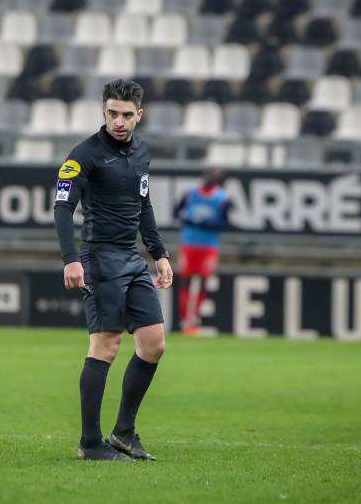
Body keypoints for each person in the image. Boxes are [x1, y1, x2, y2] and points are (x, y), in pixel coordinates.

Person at [54, 79, 173, 462]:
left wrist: (159, 253)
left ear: (140, 114)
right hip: (99, 258)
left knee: (154, 344)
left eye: (126, 115)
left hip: (131, 258)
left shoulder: (141, 152)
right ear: (103, 112)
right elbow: (61, 207)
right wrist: (71, 258)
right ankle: (90, 443)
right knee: (105, 346)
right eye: (111, 114)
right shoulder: (84, 154)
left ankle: (123, 434)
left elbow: (145, 204)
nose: (118, 122)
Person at [173, 167, 230, 336]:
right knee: (186, 282)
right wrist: (190, 220)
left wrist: (205, 223)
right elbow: (177, 213)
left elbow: (224, 223)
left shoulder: (222, 198)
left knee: (203, 282)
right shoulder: (190, 194)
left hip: (208, 246)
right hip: (189, 244)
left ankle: (194, 319)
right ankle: (185, 320)